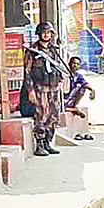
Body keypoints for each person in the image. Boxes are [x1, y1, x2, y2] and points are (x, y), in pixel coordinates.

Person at [22, 22, 66, 156]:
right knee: (41, 115)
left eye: (49, 33)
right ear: (39, 34)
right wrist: (30, 90)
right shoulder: (33, 51)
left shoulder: (54, 50)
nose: (46, 35)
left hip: (53, 88)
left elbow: (58, 68)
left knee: (53, 115)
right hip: (39, 89)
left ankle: (48, 142)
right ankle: (40, 144)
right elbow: (27, 72)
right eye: (44, 32)